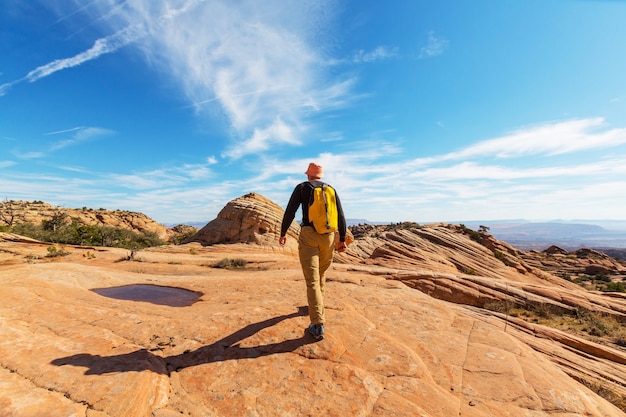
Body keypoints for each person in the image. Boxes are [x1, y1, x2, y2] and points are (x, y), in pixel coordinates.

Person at [279, 162, 347, 340]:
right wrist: (342, 239)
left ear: (308, 174)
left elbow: (290, 212)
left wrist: (283, 232)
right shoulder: (330, 189)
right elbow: (340, 215)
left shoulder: (302, 187)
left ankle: (317, 324)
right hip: (329, 236)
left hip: (309, 234)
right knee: (321, 274)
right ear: (320, 175)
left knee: (312, 281)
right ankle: (316, 306)